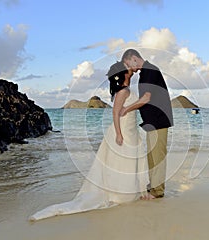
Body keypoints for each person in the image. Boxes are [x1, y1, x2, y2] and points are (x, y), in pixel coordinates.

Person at [29, 62, 150, 221]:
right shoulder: (122, 92)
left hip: (131, 129)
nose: (131, 70)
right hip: (122, 131)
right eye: (127, 68)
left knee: (129, 160)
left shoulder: (126, 90)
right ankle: (121, 193)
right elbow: (116, 114)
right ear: (122, 74)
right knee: (121, 161)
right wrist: (119, 134)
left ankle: (132, 189)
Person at [121, 49, 173, 200]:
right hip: (152, 122)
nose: (129, 68)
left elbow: (146, 98)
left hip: (159, 120)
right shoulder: (144, 73)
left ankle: (157, 192)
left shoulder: (150, 70)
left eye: (128, 64)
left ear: (134, 58)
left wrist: (126, 109)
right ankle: (153, 186)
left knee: (157, 157)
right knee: (152, 156)